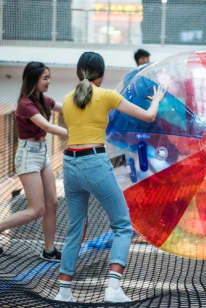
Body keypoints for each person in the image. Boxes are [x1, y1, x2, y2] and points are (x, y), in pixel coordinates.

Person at [54, 51, 165, 303]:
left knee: (75, 228)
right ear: (101, 76)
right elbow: (148, 116)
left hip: (70, 164)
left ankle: (64, 291)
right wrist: (156, 99)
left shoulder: (69, 100)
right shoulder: (107, 96)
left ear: (77, 72)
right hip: (94, 163)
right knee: (123, 225)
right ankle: (113, 289)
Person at [0, 61, 67, 261]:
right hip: (28, 155)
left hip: (42, 153)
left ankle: (49, 249)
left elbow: (66, 109)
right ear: (34, 80)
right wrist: (76, 133)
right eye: (45, 78)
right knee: (36, 209)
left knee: (52, 203)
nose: (49, 81)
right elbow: (47, 126)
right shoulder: (25, 104)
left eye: (49, 77)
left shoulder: (43, 99)